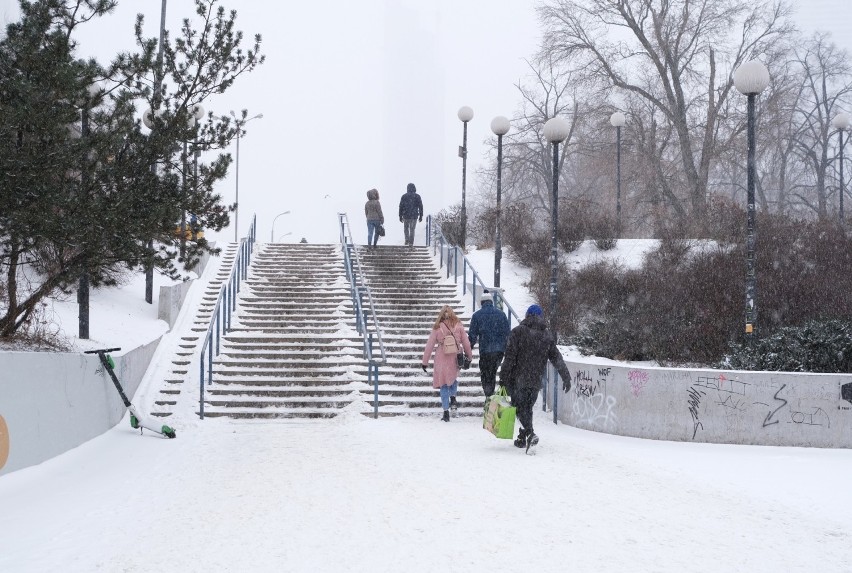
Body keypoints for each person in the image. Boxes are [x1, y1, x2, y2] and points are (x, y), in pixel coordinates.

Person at [499, 304, 571, 451]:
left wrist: (503, 378)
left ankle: (530, 434)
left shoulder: (517, 332)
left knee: (519, 409)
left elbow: (509, 358)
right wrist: (566, 376)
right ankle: (522, 438)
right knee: (528, 409)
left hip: (518, 379)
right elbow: (556, 358)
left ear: (527, 316)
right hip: (535, 380)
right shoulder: (547, 336)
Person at [421, 305, 472, 421]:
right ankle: (453, 398)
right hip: (455, 355)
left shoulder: (437, 327)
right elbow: (466, 342)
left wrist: (425, 362)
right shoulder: (458, 325)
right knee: (453, 379)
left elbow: (429, 345)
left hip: (441, 356)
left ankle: (445, 412)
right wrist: (469, 356)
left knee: (443, 384)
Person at [467, 292, 510, 398]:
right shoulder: (501, 314)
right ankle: (491, 394)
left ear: (482, 303)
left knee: (486, 373)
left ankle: (489, 395)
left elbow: (472, 336)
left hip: (485, 351)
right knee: (493, 371)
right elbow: (507, 334)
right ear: (491, 302)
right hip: (499, 351)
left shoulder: (477, 315)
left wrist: (468, 351)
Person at [398, 182, 423, 246]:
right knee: (412, 229)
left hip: (406, 215)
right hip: (414, 215)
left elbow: (401, 206)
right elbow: (420, 206)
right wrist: (421, 215)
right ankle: (411, 242)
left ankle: (407, 240)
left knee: (406, 228)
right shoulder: (417, 196)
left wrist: (400, 216)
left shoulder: (404, 196)